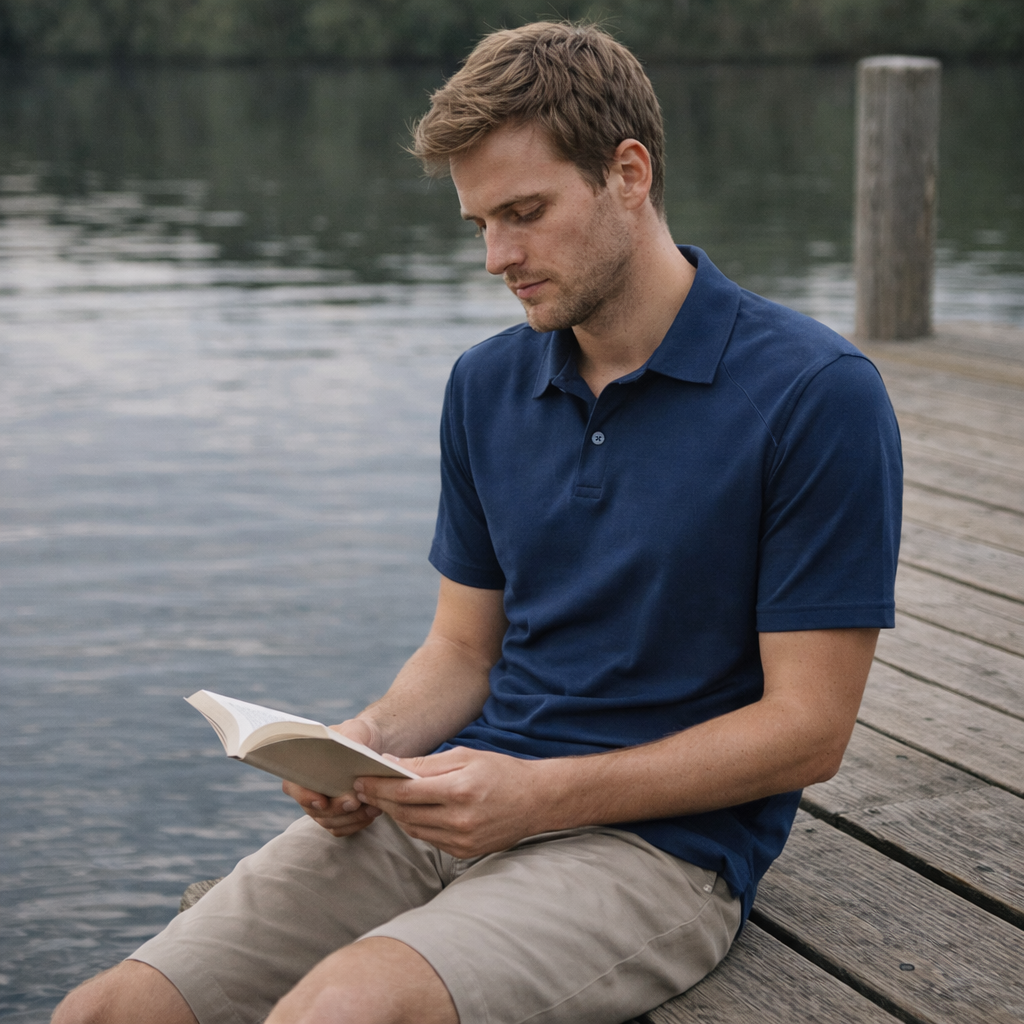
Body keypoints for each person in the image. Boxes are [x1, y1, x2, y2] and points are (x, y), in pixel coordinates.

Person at [53, 20, 902, 1024]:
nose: (498, 256)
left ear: (627, 174)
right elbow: (463, 653)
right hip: (451, 799)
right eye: (479, 224)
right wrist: (360, 745)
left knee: (343, 1009)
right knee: (108, 1008)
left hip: (658, 847)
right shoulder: (485, 384)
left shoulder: (815, 394)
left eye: (526, 212)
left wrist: (541, 797)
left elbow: (807, 731)